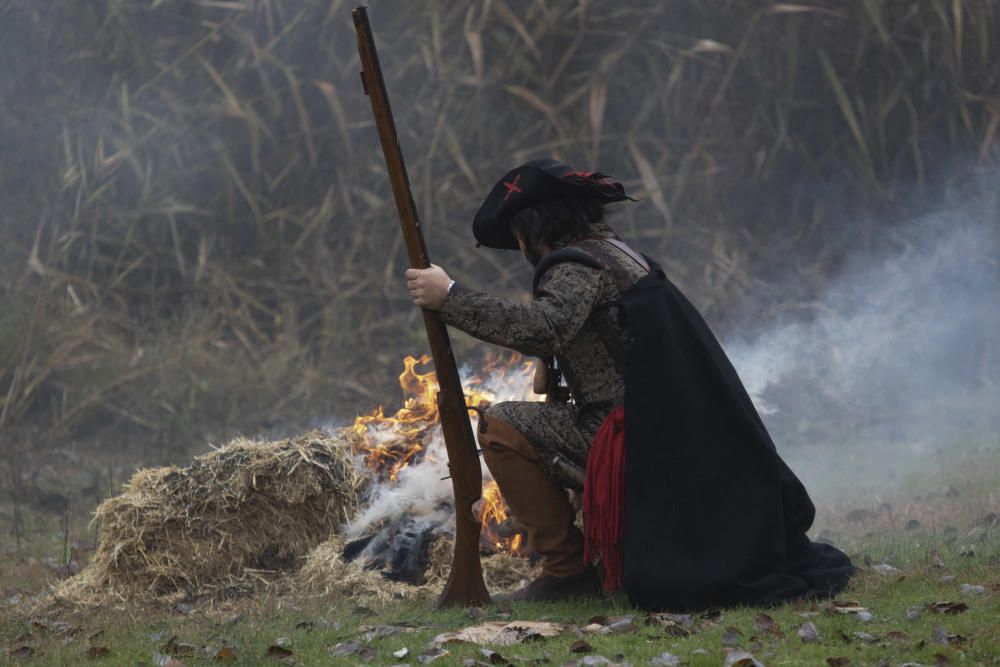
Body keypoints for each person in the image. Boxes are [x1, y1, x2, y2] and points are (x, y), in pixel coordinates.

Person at [405, 159, 854, 608]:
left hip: (638, 437)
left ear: (533, 229)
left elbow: (544, 327)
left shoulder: (576, 267)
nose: (520, 247)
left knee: (501, 425)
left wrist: (451, 297)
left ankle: (567, 571)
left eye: (518, 235)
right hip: (669, 429)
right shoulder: (613, 251)